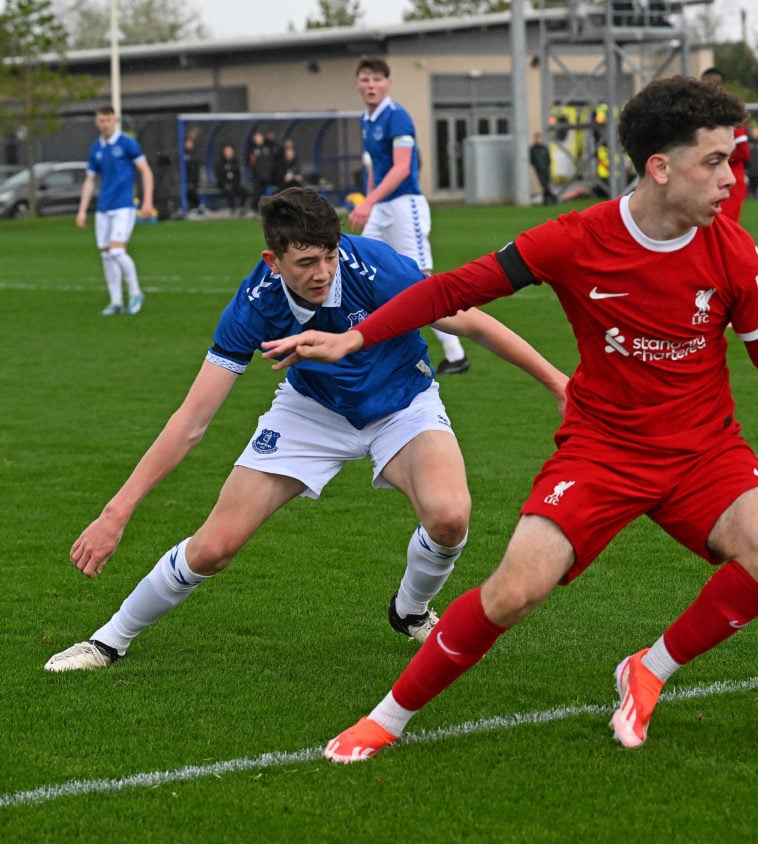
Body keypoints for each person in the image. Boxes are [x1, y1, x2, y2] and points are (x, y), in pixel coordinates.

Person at [261, 76, 758, 763]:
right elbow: (452, 288)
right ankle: (387, 716)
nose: (729, 179)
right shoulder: (576, 239)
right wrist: (354, 336)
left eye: (732, 161)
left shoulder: (733, 251)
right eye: (714, 162)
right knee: (513, 592)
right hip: (603, 451)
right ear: (660, 167)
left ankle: (648, 669)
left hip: (704, 452)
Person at [44, 186, 568, 673]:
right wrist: (117, 512)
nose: (323, 271)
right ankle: (108, 640)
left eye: (329, 255)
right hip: (311, 412)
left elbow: (469, 321)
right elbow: (191, 420)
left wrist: (557, 384)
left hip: (402, 402)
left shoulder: (375, 265)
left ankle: (410, 611)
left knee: (450, 517)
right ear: (273, 261)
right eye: (306, 262)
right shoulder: (254, 305)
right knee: (214, 546)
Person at [350, 55, 470, 376]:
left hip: (406, 206)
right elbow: (376, 165)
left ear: (388, 83)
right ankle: (363, 347)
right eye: (365, 79)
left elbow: (402, 168)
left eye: (376, 79)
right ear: (357, 84)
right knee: (357, 269)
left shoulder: (397, 116)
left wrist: (367, 201)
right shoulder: (368, 118)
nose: (370, 85)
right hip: (382, 207)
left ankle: (455, 353)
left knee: (420, 282)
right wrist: (371, 202)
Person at [76, 105, 154, 316]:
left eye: (109, 120)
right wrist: (82, 210)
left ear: (115, 120)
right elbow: (90, 180)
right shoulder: (96, 148)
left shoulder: (127, 143)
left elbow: (145, 171)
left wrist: (147, 201)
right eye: (101, 120)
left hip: (124, 206)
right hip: (103, 208)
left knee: (117, 251)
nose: (105, 124)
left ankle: (136, 292)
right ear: (97, 122)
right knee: (106, 255)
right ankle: (116, 300)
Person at [700, 67, 748, 223]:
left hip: (729, 183)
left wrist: (715, 155)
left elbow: (744, 153)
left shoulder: (730, 117)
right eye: (707, 85)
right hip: (704, 181)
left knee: (725, 227)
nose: (711, 89)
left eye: (715, 85)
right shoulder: (697, 116)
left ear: (722, 87)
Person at [247, 131, 275, 212]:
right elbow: (251, 163)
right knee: (257, 192)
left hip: (266, 176)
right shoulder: (252, 149)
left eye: (260, 138)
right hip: (257, 176)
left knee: (264, 192)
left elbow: (271, 160)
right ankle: (255, 208)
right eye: (257, 138)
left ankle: (262, 208)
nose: (259, 140)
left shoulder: (266, 148)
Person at [215, 144, 246, 214]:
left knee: (245, 192)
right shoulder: (220, 163)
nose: (228, 154)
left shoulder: (235, 161)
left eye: (230, 152)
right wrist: (225, 183)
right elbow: (219, 175)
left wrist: (235, 183)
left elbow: (238, 174)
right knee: (230, 192)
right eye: (227, 153)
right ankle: (232, 209)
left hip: (234, 183)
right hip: (224, 184)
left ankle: (241, 208)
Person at [529, 132, 557, 205]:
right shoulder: (532, 149)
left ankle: (546, 201)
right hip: (539, 169)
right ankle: (552, 197)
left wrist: (548, 166)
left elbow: (548, 158)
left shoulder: (544, 148)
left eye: (538, 138)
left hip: (546, 168)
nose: (537, 140)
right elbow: (531, 159)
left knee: (546, 185)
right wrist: (535, 165)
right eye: (535, 138)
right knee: (544, 184)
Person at [182, 133, 201, 215]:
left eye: (190, 143)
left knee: (192, 190)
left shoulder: (195, 154)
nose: (188, 144)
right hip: (184, 179)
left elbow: (195, 168)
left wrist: (195, 179)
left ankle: (197, 207)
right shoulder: (181, 154)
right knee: (188, 190)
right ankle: (189, 208)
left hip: (193, 179)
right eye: (187, 142)